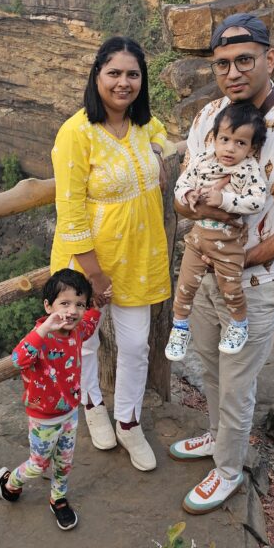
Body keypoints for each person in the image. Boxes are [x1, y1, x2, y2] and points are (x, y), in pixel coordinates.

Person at [169, 12, 274, 514]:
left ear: (269, 59)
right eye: (222, 64)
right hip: (205, 270)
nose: (232, 72)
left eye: (244, 60)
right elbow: (181, 196)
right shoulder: (209, 117)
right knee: (210, 366)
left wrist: (240, 262)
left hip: (255, 282)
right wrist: (194, 206)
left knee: (237, 383)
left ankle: (229, 469)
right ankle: (219, 437)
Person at [50, 36, 171, 472]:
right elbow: (70, 211)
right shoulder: (76, 132)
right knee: (84, 341)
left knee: (136, 345)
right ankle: (92, 405)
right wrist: (95, 276)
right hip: (89, 260)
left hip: (138, 254)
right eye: (114, 73)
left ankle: (129, 421)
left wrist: (161, 153)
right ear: (97, 76)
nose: (124, 83)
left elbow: (163, 139)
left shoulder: (143, 123)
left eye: (132, 74)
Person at [0, 269, 100, 530]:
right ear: (48, 306)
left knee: (64, 463)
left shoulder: (77, 330)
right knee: (38, 464)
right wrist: (43, 329)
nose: (72, 311)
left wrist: (98, 304)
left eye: (79, 304)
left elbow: (89, 324)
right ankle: (10, 482)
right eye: (64, 303)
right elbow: (18, 359)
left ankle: (58, 499)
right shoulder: (41, 337)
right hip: (43, 418)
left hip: (70, 413)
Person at [165, 101, 267, 361]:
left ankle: (239, 324)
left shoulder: (248, 170)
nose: (230, 148)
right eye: (225, 139)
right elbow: (182, 183)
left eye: (240, 143)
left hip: (228, 244)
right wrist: (188, 193)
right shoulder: (203, 160)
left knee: (230, 288)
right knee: (185, 285)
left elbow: (256, 202)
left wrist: (224, 200)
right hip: (198, 238)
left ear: (252, 148)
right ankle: (180, 327)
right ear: (214, 138)